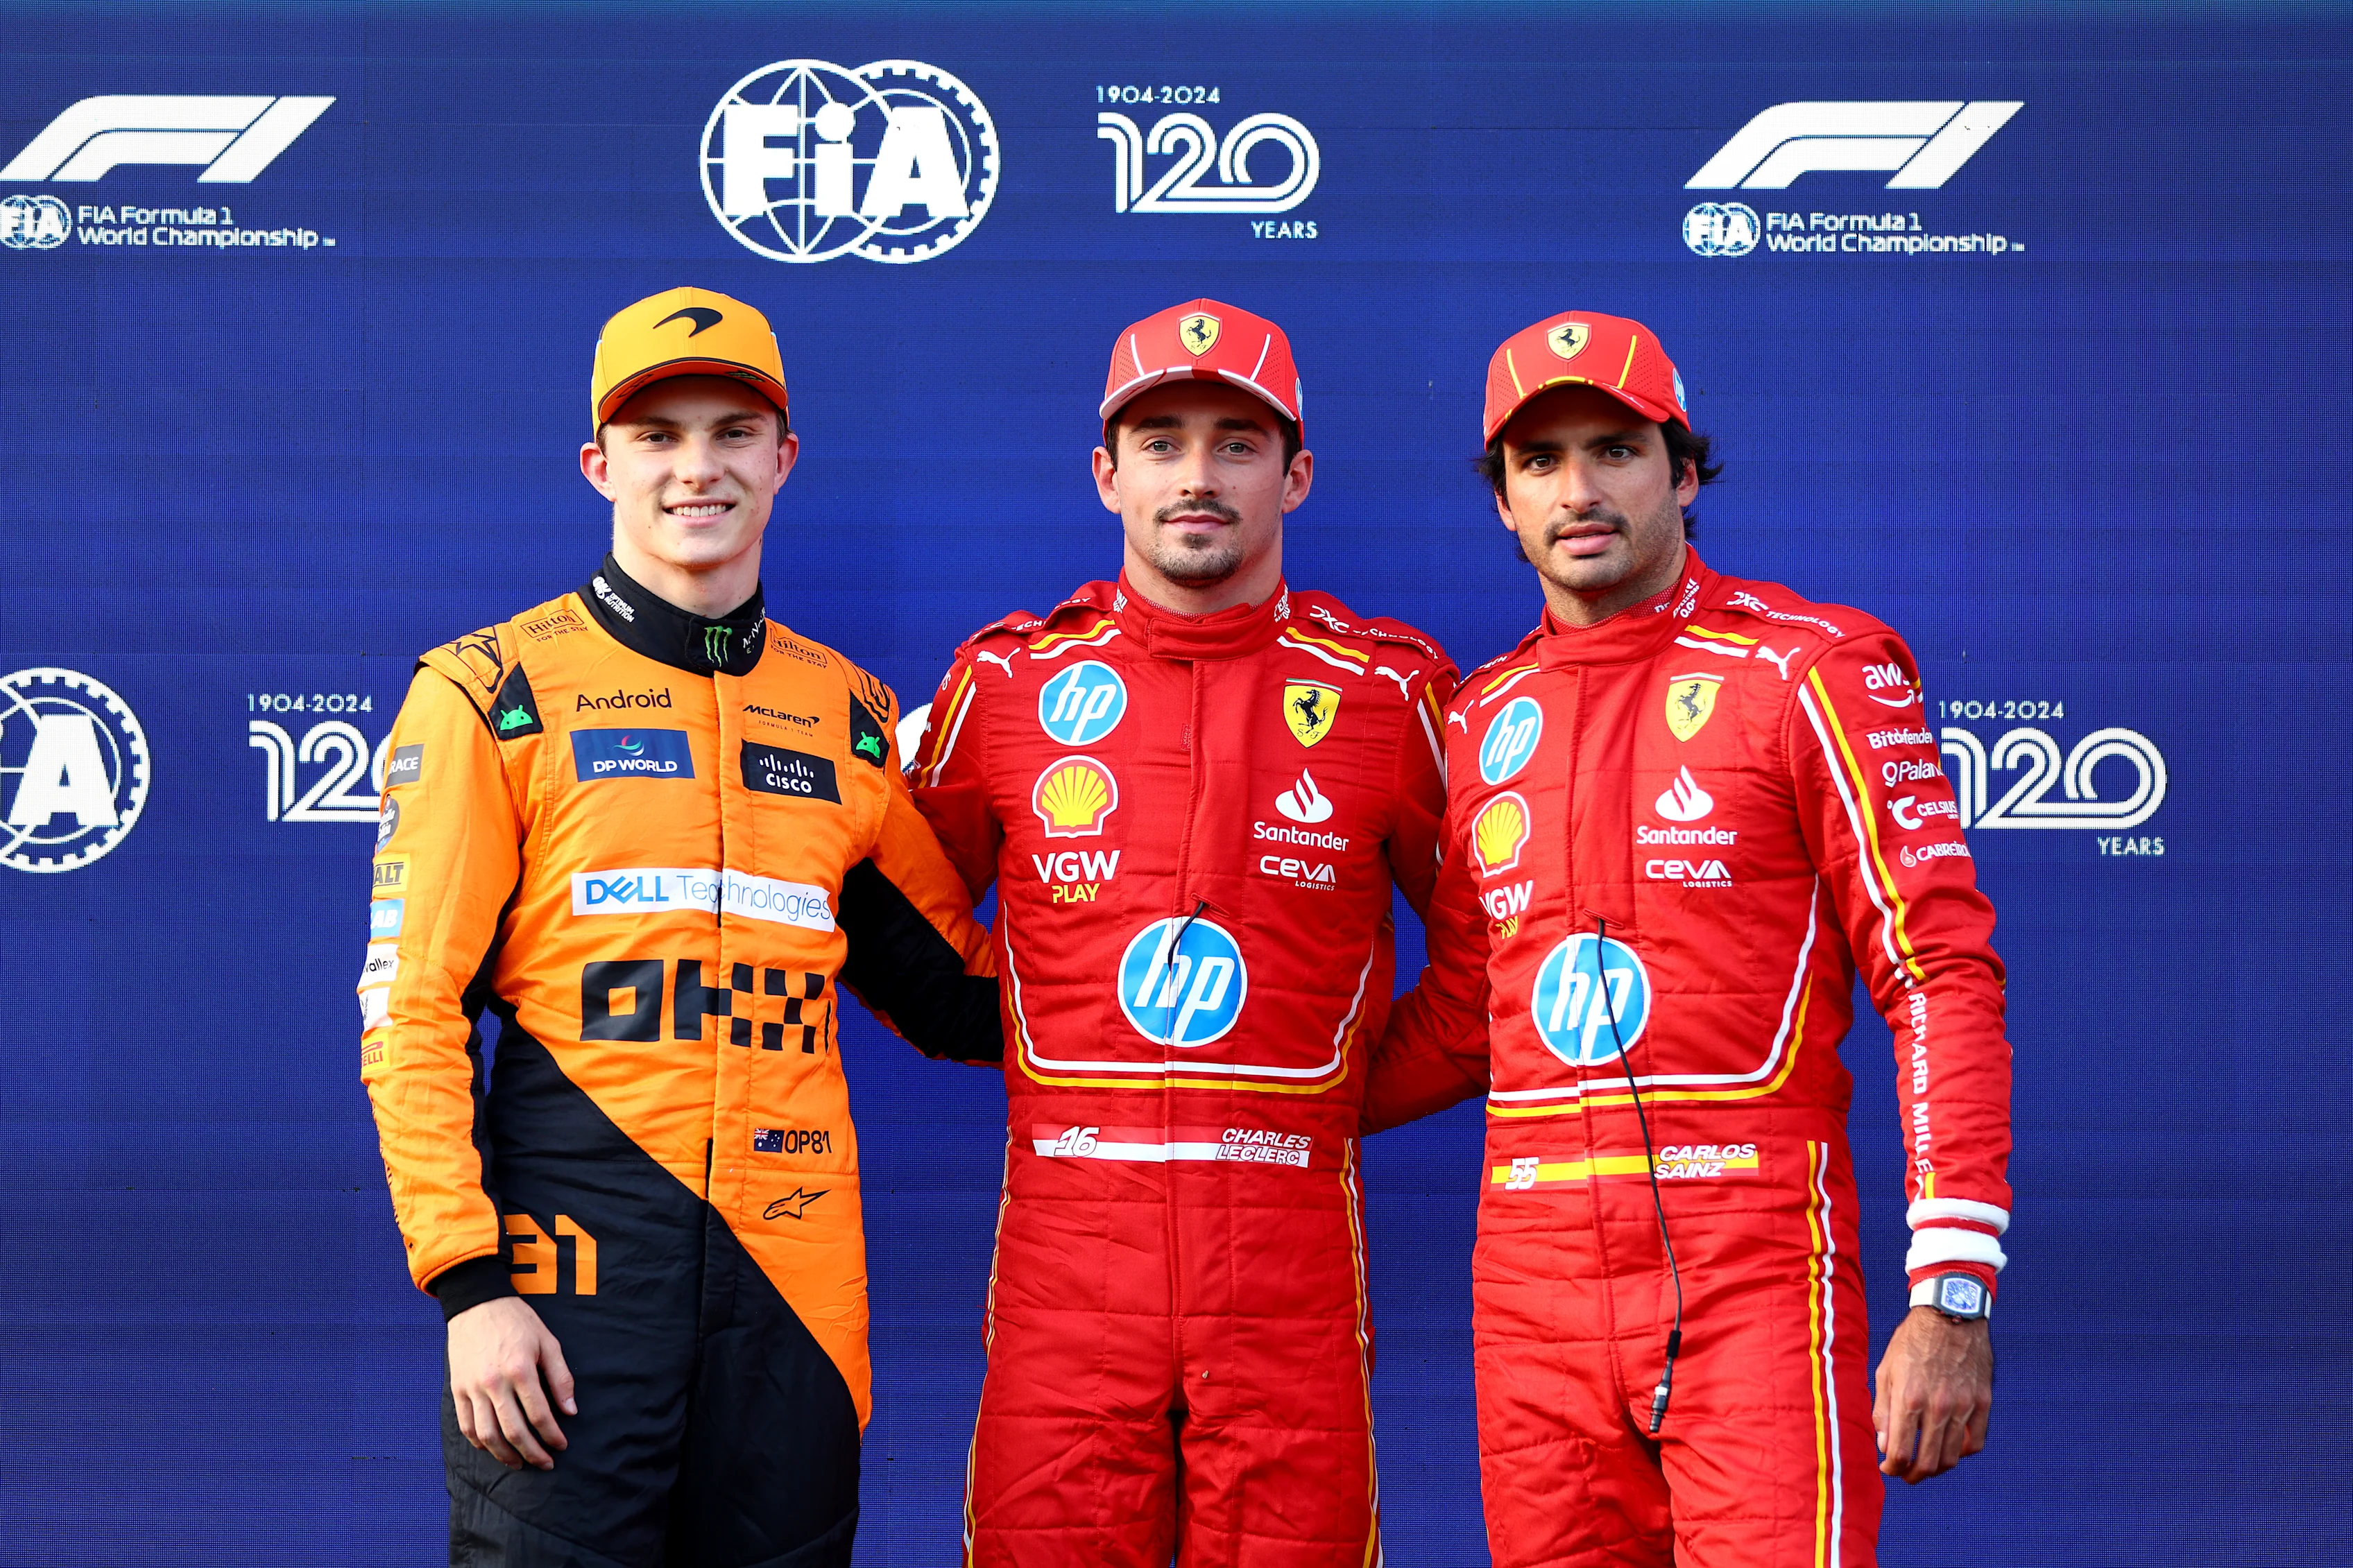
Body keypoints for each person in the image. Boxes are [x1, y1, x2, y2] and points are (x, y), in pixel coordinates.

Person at [358, 286, 1001, 1567]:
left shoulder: (849, 715)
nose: (696, 468)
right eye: (657, 436)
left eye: (730, 432)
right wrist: (469, 1288)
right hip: (567, 1290)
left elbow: (964, 1000)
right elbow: (413, 1006)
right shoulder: (492, 691)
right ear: (600, 462)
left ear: (783, 458)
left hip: (797, 1294)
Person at [1367, 309, 2013, 1566]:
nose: (1580, 490)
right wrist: (1233, 1118)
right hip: (1531, 1286)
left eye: (1615, 448)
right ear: (1502, 501)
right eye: (1540, 463)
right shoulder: (1479, 715)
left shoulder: (1811, 666)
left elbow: (1937, 969)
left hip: (1757, 1269)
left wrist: (1951, 1286)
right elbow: (1465, 1016)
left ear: (1685, 471)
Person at [904, 300, 1457, 1567]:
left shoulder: (1392, 692)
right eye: (1161, 441)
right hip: (1064, 1249)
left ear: (1297, 475)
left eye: (1237, 443)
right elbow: (901, 924)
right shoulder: (1007, 686)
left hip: (1291, 1255)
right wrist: (1062, 1049)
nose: (1197, 476)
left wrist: (1325, 1094)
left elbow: (1496, 966)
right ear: (1107, 474)